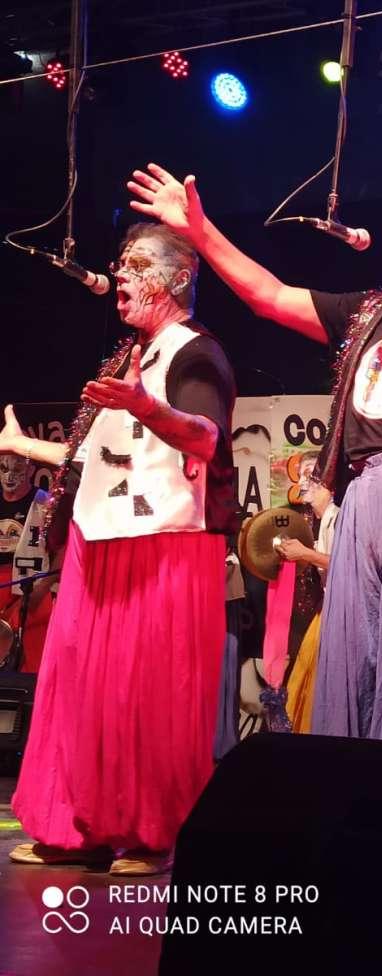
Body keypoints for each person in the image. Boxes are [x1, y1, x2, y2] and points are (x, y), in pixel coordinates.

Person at [126, 111, 382, 747]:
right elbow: (270, 296)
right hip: (364, 496)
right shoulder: (369, 311)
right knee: (356, 663)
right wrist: (199, 230)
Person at [2, 222, 237, 877]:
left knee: (146, 690)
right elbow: (94, 458)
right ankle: (76, 825)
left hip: (161, 543)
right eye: (123, 263)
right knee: (80, 686)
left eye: (138, 265)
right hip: (97, 539)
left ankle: (148, 832)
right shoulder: (128, 359)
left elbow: (206, 436)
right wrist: (21, 447)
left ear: (178, 279)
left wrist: (146, 407)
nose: (122, 275)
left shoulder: (196, 353)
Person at [277, 451, 339, 733]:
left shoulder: (338, 516)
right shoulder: (316, 521)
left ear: (328, 481)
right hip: (323, 610)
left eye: (310, 474)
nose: (302, 482)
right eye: (300, 474)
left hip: (338, 613)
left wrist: (305, 554)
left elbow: (347, 565)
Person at [0, 449, 55, 672]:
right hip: (2, 581)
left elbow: (63, 550)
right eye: (3, 468)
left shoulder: (46, 503)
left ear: (31, 470)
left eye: (18, 468)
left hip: (33, 584)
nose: (9, 475)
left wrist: (42, 589)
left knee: (32, 662)